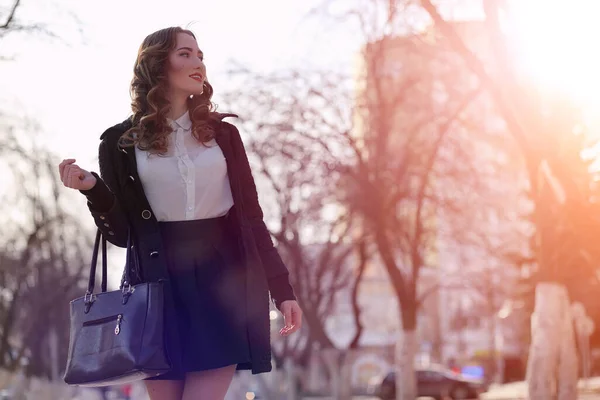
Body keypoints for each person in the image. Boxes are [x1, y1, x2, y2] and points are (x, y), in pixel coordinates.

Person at [58, 26, 303, 400]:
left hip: (222, 282)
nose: (198, 63)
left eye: (200, 55)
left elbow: (251, 220)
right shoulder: (119, 143)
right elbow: (123, 236)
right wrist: (95, 190)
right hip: (156, 284)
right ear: (157, 65)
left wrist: (282, 290)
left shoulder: (224, 136)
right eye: (185, 54)